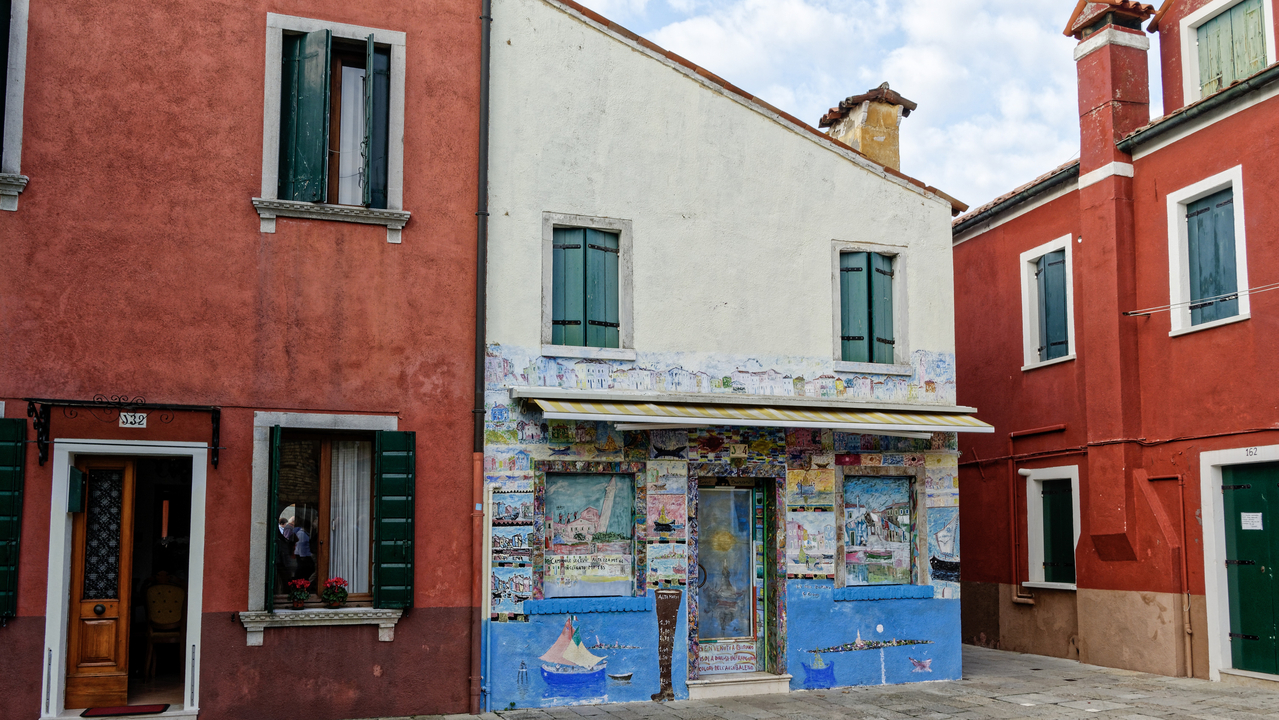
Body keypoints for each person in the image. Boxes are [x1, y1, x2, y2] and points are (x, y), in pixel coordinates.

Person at [293, 518, 315, 583]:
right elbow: (301, 545)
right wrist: (302, 556)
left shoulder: (304, 533)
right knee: (302, 570)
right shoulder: (302, 534)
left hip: (304, 555)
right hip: (303, 556)